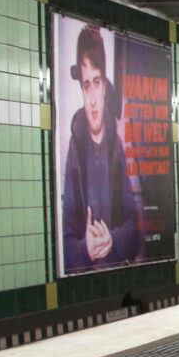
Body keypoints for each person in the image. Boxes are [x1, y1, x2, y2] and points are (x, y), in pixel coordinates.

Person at [61, 24, 142, 272]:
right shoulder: (74, 151)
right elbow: (64, 246)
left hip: (116, 273)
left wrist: (112, 241)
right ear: (82, 90)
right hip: (87, 279)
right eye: (87, 85)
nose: (93, 99)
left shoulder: (117, 147)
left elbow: (134, 231)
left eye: (96, 82)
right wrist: (86, 248)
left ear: (105, 86)